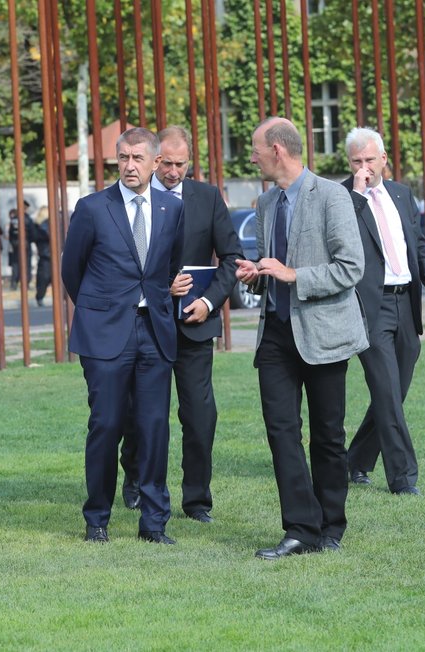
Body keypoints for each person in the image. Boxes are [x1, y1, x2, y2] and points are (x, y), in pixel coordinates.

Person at [234, 117, 367, 559]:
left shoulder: (332, 196)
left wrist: (294, 275)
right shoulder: (265, 203)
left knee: (328, 435)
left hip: (323, 333)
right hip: (275, 335)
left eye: (255, 149)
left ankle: (331, 526)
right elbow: (272, 268)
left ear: (277, 150)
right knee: (281, 433)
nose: (250, 157)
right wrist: (256, 275)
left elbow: (351, 268)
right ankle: (299, 529)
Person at [61, 127, 185, 544]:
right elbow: (71, 271)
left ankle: (154, 523)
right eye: (123, 158)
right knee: (107, 424)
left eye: (138, 159)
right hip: (104, 335)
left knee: (154, 427)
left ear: (155, 162)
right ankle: (97, 518)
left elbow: (168, 266)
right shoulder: (93, 208)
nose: (130, 166)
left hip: (155, 331)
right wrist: (102, 309)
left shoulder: (171, 208)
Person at [119, 125, 242, 523]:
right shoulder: (132, 197)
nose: (173, 172)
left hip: (194, 324)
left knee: (200, 415)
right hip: (145, 326)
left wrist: (208, 301)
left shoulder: (207, 198)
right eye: (167, 164)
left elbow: (231, 258)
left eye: (181, 164)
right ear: (155, 160)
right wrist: (159, 286)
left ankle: (197, 500)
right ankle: (135, 481)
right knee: (140, 413)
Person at [343, 127, 425, 496]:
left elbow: (418, 245)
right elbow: (342, 237)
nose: (364, 167)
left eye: (370, 160)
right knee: (386, 391)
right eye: (356, 161)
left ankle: (354, 461)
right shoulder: (343, 197)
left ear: (384, 159)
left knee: (394, 392)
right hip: (369, 307)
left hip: (406, 303)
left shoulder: (402, 194)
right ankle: (403, 479)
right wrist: (357, 193)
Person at [8, 202, 35, 290]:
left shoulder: (14, 219)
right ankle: (25, 283)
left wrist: (13, 243)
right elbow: (32, 232)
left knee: (16, 265)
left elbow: (11, 233)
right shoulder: (27, 219)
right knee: (26, 264)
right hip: (26, 245)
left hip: (16, 245)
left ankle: (14, 283)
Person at [32, 205, 52, 306]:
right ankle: (40, 297)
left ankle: (40, 297)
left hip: (46, 255)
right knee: (44, 278)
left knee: (43, 278)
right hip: (48, 255)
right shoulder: (44, 226)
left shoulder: (39, 226)